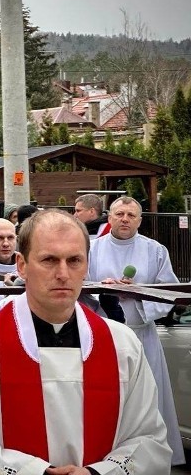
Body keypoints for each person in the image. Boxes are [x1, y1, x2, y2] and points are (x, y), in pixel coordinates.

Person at [0, 209, 172, 474]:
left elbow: (149, 440)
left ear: (87, 265)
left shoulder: (121, 344)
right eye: (49, 260)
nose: (63, 273)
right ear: (21, 265)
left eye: (74, 260)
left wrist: (98, 472)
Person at [87, 196, 185, 465]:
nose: (125, 219)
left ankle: (149, 460)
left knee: (147, 399)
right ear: (109, 218)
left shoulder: (155, 250)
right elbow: (80, 288)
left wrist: (136, 295)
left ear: (140, 220)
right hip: (102, 337)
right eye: (119, 214)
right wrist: (103, 289)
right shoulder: (92, 249)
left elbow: (169, 294)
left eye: (131, 215)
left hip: (142, 334)